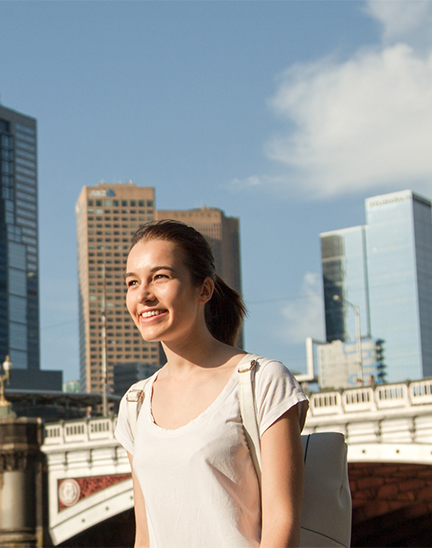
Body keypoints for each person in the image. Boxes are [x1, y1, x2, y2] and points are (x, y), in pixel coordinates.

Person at [114, 220, 308, 547]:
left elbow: (282, 520)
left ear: (204, 290)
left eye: (160, 277)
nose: (143, 295)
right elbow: (145, 534)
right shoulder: (135, 403)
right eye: (133, 282)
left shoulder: (261, 381)